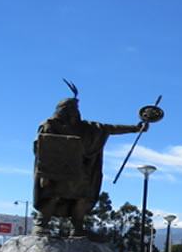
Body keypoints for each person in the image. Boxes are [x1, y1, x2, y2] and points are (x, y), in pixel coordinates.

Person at [33, 90, 143, 236]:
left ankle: (76, 228)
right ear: (62, 110)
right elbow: (43, 148)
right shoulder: (49, 125)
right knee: (53, 196)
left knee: (82, 198)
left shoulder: (87, 127)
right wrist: (44, 173)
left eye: (76, 108)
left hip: (80, 170)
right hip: (56, 170)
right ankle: (41, 225)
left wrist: (135, 128)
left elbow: (110, 128)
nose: (75, 112)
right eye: (71, 108)